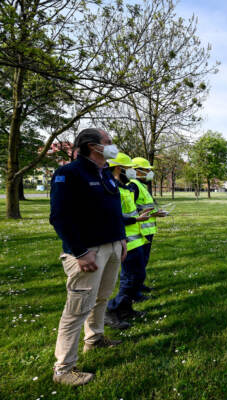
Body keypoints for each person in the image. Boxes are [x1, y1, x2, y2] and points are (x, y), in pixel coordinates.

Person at [49, 128, 127, 386]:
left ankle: (94, 339)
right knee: (77, 309)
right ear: (94, 146)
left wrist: (121, 239)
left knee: (101, 298)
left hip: (112, 246)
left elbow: (112, 210)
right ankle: (63, 370)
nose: (113, 146)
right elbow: (59, 217)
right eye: (109, 142)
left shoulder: (106, 173)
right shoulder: (68, 173)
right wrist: (80, 251)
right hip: (88, 251)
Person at [105, 153, 152, 324]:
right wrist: (135, 219)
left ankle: (125, 309)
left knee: (137, 275)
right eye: (129, 169)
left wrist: (140, 214)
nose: (132, 172)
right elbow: (113, 216)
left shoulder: (123, 187)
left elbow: (129, 211)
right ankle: (113, 309)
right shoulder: (112, 187)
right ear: (119, 168)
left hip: (136, 239)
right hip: (126, 240)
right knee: (130, 277)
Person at [130, 157, 166, 295]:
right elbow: (129, 210)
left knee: (143, 261)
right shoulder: (133, 186)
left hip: (147, 230)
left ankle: (139, 285)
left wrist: (156, 213)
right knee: (136, 264)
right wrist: (147, 214)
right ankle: (133, 292)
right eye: (147, 170)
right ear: (137, 171)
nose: (150, 173)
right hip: (138, 231)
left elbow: (145, 207)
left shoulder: (142, 186)